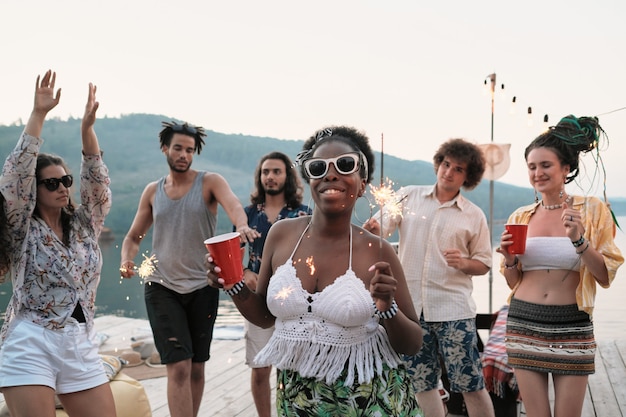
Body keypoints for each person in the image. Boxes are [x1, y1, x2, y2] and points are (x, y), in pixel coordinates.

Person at [207, 126, 424, 416]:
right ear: (310, 180)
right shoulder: (281, 235)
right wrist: (232, 283)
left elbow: (412, 343)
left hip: (368, 402)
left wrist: (387, 308)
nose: (330, 174)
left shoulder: (378, 250)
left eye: (345, 165)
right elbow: (263, 316)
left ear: (362, 185)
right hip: (298, 400)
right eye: (319, 167)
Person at [119, 121, 259, 417]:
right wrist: (126, 260)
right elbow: (133, 237)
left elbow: (233, 204)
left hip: (203, 286)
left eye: (190, 150)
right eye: (178, 148)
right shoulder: (152, 191)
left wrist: (242, 223)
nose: (184, 154)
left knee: (196, 367)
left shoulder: (210, 182)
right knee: (179, 366)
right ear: (165, 149)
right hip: (162, 287)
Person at [0, 70, 116, 416]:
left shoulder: (84, 225)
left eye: (65, 180)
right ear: (33, 191)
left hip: (80, 340)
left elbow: (96, 183)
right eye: (51, 183)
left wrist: (87, 131)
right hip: (31, 341)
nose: (62, 187)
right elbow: (16, 175)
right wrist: (38, 115)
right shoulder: (21, 226)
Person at [497, 115, 623, 417]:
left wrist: (579, 240)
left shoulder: (592, 210)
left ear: (565, 168)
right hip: (524, 322)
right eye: (531, 167)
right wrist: (510, 258)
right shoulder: (520, 215)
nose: (537, 173)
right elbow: (514, 281)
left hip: (572, 324)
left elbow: (605, 275)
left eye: (545, 165)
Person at [364, 138, 495, 417]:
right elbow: (380, 231)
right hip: (411, 310)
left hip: (454, 311)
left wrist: (463, 262)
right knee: (422, 384)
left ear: (467, 177)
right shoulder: (409, 195)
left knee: (470, 383)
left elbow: (484, 264)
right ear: (438, 163)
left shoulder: (474, 216)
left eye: (458, 169)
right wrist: (373, 228)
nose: (448, 172)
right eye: (446, 164)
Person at [239, 151, 311, 417]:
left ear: (287, 177)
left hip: (295, 302)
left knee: (293, 368)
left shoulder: (303, 214)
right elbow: (233, 255)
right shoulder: (247, 214)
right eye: (265, 172)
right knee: (260, 368)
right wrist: (245, 270)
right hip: (257, 299)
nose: (270, 176)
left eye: (276, 171)